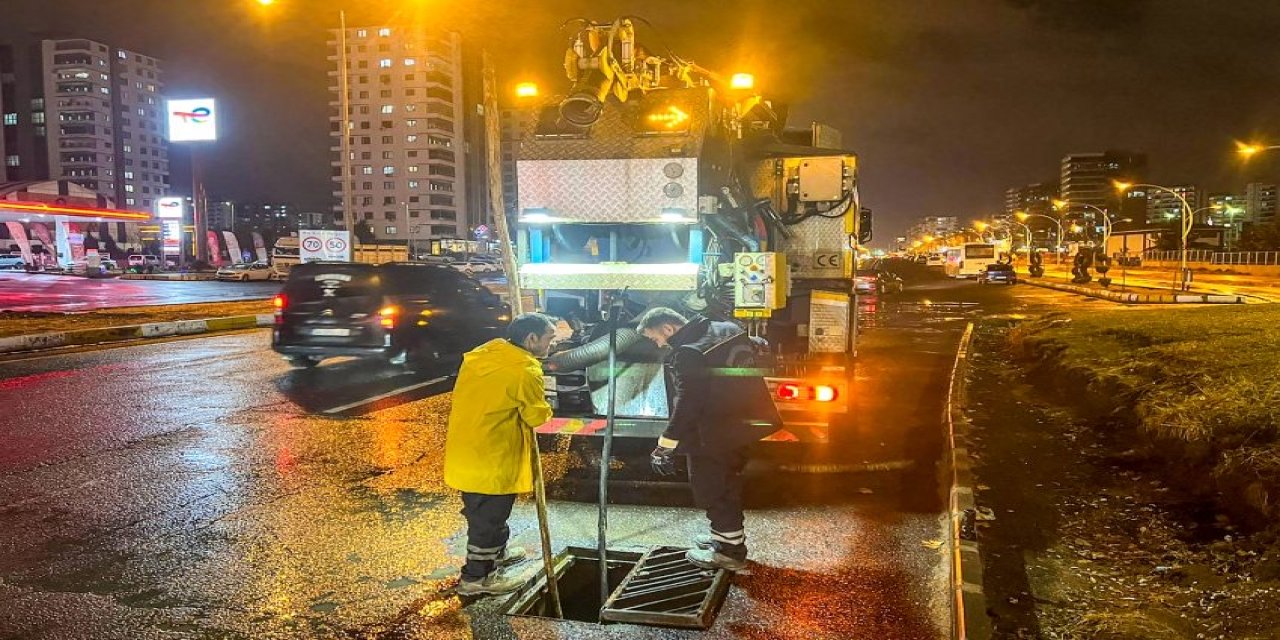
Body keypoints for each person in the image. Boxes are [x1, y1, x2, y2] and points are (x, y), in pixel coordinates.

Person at [638, 307, 780, 573]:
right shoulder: (726, 330)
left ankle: (730, 553)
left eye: (655, 337)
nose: (659, 344)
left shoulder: (687, 353)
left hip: (713, 434)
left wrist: (666, 443)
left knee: (714, 490)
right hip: (742, 426)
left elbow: (688, 404)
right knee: (729, 483)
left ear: (668, 328)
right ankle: (725, 538)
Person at [443, 313, 557, 595]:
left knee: (483, 513)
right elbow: (536, 417)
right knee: (488, 522)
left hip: (468, 451)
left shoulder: (485, 354)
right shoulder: (524, 371)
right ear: (531, 339)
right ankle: (477, 579)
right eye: (549, 338)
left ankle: (496, 555)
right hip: (493, 457)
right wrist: (548, 402)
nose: (552, 344)